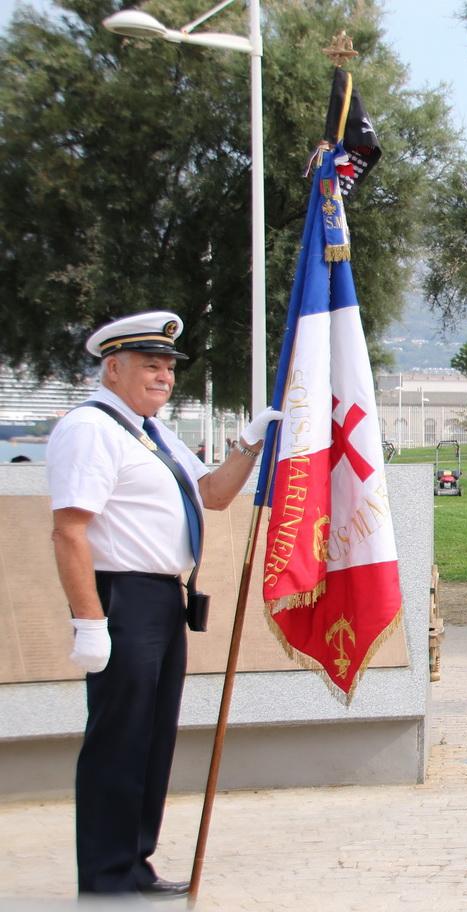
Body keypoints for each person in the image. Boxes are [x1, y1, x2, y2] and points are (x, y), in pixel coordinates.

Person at [46, 311, 279, 897]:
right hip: (120, 596)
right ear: (113, 366)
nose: (163, 376)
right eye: (150, 365)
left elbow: (213, 496)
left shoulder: (152, 432)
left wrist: (250, 444)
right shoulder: (91, 428)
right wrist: (89, 622)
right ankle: (106, 873)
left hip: (160, 597)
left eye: (169, 367)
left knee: (152, 738)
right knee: (119, 736)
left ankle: (134, 862)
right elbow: (70, 531)